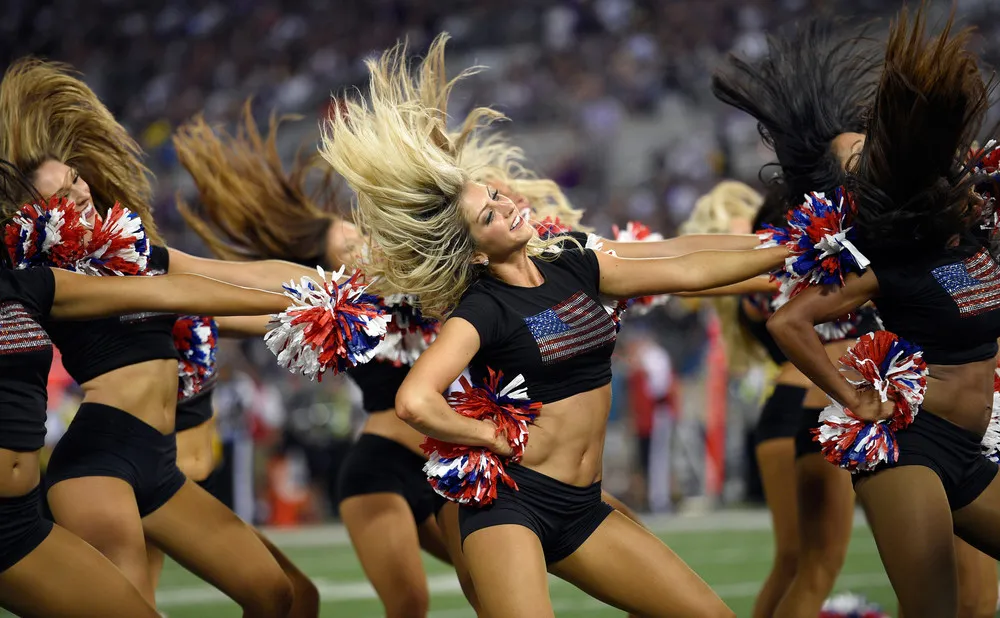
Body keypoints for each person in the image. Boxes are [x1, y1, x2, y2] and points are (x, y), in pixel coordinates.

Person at [318, 35, 795, 617]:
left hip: (582, 507)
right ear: (471, 252)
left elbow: (684, 261)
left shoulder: (573, 259)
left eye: (496, 195)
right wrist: (489, 439)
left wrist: (789, 248)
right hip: (510, 508)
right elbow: (417, 399)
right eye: (487, 215)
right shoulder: (482, 308)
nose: (505, 206)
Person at [0, 58, 319, 616]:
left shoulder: (133, 253)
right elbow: (182, 294)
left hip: (157, 464)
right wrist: (303, 304)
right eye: (62, 194)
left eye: (77, 178)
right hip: (99, 464)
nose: (79, 192)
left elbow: (231, 277)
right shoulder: (47, 278)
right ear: (36, 216)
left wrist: (334, 288)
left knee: (279, 595)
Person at [767, 9, 1000, 618]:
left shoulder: (970, 228)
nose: (869, 155)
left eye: (869, 145)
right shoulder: (883, 257)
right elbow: (787, 321)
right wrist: (853, 394)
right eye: (853, 160)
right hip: (912, 448)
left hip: (970, 455)